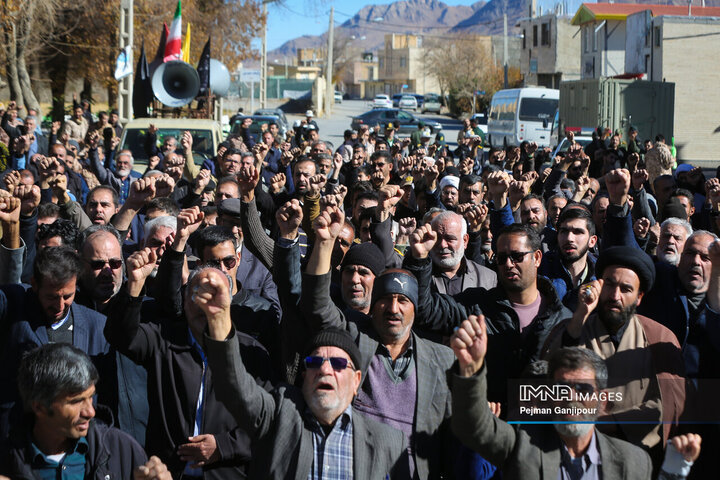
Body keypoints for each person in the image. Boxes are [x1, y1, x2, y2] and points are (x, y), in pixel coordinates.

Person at [300, 205, 456, 478]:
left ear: (415, 310)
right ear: (373, 307)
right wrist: (324, 244)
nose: (393, 309)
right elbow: (318, 305)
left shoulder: (442, 359)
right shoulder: (355, 336)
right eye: (385, 300)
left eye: (403, 301)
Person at [448, 315, 702, 480]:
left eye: (582, 389)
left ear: (602, 401)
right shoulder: (520, 446)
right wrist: (470, 370)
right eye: (562, 388)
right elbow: (473, 426)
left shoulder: (632, 462)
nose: (571, 398)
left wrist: (673, 472)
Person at [203, 288, 409, 480]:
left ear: (356, 380)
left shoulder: (389, 443)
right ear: (304, 376)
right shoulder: (278, 415)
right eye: (315, 362)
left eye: (337, 363)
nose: (325, 370)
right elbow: (234, 387)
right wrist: (219, 319)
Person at [105, 253, 274, 479]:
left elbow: (270, 423)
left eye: (214, 295)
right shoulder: (163, 339)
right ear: (185, 301)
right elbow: (120, 336)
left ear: (229, 304)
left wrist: (223, 446)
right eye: (198, 294)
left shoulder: (252, 353)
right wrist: (134, 286)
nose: (206, 304)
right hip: (168, 472)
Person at [545, 246, 686, 460]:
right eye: (609, 284)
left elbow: (667, 406)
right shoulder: (572, 328)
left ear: (639, 297)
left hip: (638, 458)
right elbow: (548, 384)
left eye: (626, 289)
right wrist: (579, 317)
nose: (615, 296)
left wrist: (610, 422)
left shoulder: (660, 337)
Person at [404, 222, 570, 404]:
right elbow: (424, 310)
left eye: (517, 256)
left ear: (537, 258)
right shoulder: (476, 306)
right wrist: (419, 258)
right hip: (487, 423)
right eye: (501, 258)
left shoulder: (563, 320)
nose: (508, 264)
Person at [0, 343, 171, 479]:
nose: (90, 412)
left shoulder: (122, 450)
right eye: (76, 402)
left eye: (90, 398)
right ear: (39, 407)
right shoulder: (7, 461)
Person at [0, 246, 111, 440]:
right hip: (16, 437)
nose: (60, 306)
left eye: (67, 296)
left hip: (74, 443)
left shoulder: (97, 326)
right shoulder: (15, 306)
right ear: (34, 284)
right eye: (51, 297)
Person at [539, 207, 598, 310]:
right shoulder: (541, 270)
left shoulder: (601, 274)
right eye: (564, 231)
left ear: (592, 241)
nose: (569, 238)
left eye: (578, 232)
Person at [428, 210, 496, 295]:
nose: (442, 245)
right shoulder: (419, 275)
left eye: (450, 238)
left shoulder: (487, 278)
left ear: (465, 241)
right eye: (437, 238)